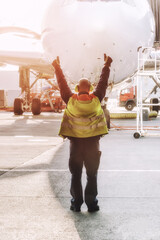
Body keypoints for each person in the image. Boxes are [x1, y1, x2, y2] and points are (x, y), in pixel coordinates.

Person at [52, 55, 112, 212]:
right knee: (92, 176)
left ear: (77, 89)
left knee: (76, 176)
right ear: (90, 88)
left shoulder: (69, 99)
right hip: (93, 145)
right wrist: (106, 65)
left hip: (75, 146)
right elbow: (103, 82)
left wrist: (57, 67)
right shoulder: (96, 99)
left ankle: (76, 204)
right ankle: (92, 204)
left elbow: (62, 84)